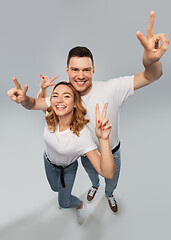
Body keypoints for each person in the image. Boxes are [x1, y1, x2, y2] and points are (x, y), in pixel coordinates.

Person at [7, 11, 170, 214]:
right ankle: (94, 186)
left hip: (112, 150)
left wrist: (150, 61)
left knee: (110, 180)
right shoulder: (65, 98)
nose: (80, 75)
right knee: (94, 176)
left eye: (86, 70)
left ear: (93, 70)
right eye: (75, 70)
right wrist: (24, 100)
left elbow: (151, 76)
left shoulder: (112, 88)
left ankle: (109, 195)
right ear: (67, 70)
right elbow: (34, 103)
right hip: (86, 154)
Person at [8, 80, 115, 224]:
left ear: (75, 103)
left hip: (67, 170)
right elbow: (32, 104)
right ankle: (63, 193)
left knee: (64, 203)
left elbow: (107, 173)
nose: (59, 100)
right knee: (54, 188)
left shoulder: (81, 136)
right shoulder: (50, 116)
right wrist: (26, 98)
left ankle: (80, 204)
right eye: (55, 96)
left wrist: (104, 140)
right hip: (48, 162)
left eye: (66, 96)